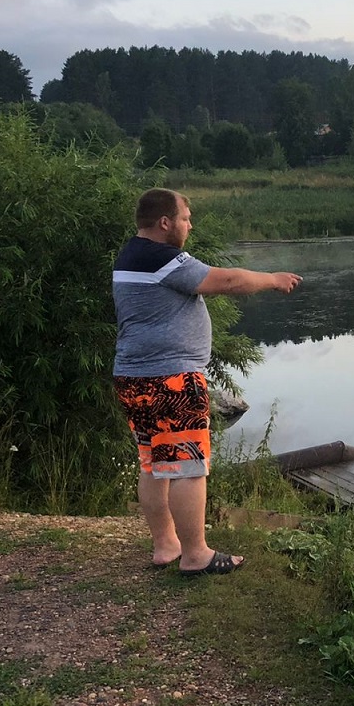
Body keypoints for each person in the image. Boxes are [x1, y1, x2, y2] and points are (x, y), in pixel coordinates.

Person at [112, 187, 302, 575]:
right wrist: (272, 278)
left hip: (133, 375)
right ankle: (195, 554)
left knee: (153, 463)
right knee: (187, 467)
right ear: (165, 222)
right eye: (185, 217)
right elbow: (228, 281)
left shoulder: (132, 253)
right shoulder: (162, 258)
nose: (190, 224)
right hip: (170, 379)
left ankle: (167, 546)